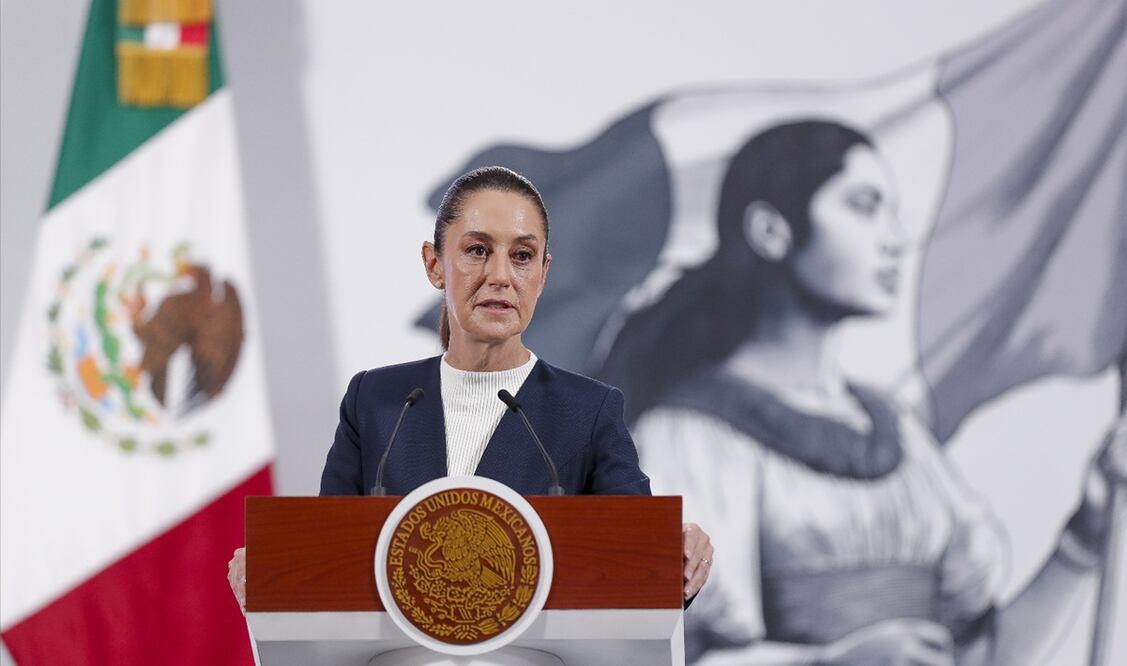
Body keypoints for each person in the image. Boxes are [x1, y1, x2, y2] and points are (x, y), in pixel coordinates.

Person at [596, 121, 1127, 665]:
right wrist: (830, 662)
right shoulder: (689, 437)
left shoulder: (899, 434)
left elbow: (982, 655)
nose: (895, 239)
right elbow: (653, 657)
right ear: (771, 230)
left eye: (892, 212)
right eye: (864, 206)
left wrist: (1085, 535)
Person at [228, 166, 714, 609]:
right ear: (434, 264)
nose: (500, 276)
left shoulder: (587, 411)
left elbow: (642, 566)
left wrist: (680, 554)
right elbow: (325, 557)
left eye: (522, 256)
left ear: (542, 275)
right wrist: (274, 567)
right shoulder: (376, 403)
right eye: (478, 250)